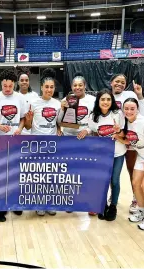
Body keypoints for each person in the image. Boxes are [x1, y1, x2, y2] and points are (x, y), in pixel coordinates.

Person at [0, 69, 27, 222]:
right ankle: (0, 205)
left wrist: (19, 128)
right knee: (0, 175)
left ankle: (15, 202)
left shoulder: (19, 98)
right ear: (1, 84)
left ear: (14, 84)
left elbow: (23, 118)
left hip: (15, 141)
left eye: (10, 86)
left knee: (15, 173)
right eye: (5, 86)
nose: (7, 89)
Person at [110, 74, 144, 215]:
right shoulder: (107, 96)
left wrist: (140, 96)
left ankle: (135, 198)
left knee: (133, 170)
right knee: (113, 173)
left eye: (122, 82)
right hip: (116, 139)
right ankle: (112, 197)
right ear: (111, 83)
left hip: (131, 138)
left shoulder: (130, 94)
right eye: (117, 81)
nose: (119, 84)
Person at [114, 99, 144, 226]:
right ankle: (142, 211)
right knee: (135, 183)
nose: (129, 111)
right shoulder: (126, 122)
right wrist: (118, 137)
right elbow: (130, 141)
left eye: (132, 108)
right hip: (142, 156)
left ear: (137, 109)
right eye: (126, 109)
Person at [24, 68, 61, 216]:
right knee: (39, 175)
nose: (49, 89)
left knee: (51, 175)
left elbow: (58, 122)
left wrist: (59, 129)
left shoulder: (57, 104)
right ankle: (39, 203)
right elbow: (27, 126)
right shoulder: (33, 103)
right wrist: (28, 119)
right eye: (47, 87)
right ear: (41, 87)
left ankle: (50, 203)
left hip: (52, 144)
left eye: (52, 87)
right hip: (37, 143)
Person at [57, 72, 95, 215]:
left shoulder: (92, 100)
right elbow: (59, 120)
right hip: (69, 138)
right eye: (75, 85)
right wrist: (61, 109)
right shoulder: (67, 100)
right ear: (72, 86)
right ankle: (70, 201)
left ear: (85, 86)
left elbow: (96, 120)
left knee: (87, 172)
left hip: (86, 140)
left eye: (80, 85)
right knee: (70, 172)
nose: (77, 87)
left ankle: (90, 202)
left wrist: (88, 130)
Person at [89, 89, 126, 221]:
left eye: (108, 99)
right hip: (103, 154)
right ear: (98, 101)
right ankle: (102, 205)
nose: (105, 102)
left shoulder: (118, 114)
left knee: (114, 180)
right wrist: (85, 131)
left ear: (112, 101)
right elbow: (92, 130)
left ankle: (113, 206)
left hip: (118, 153)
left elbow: (123, 135)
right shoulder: (94, 116)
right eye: (103, 99)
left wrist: (119, 131)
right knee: (103, 180)